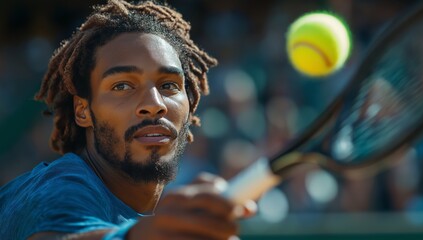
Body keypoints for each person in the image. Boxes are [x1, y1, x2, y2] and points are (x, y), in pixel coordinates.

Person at [0, 0, 256, 239]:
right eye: (122, 86)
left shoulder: (137, 209)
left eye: (169, 85)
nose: (154, 105)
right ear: (83, 111)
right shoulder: (57, 190)